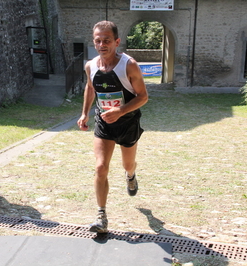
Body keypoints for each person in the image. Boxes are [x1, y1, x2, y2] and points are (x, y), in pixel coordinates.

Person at [77, 21, 148, 233]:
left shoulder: (129, 65)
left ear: (116, 42)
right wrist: (84, 113)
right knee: (100, 167)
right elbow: (90, 88)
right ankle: (101, 216)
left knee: (127, 164)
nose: (102, 44)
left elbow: (143, 96)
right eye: (98, 41)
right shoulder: (91, 66)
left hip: (127, 123)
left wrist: (121, 111)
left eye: (107, 40)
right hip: (104, 123)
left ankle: (131, 175)